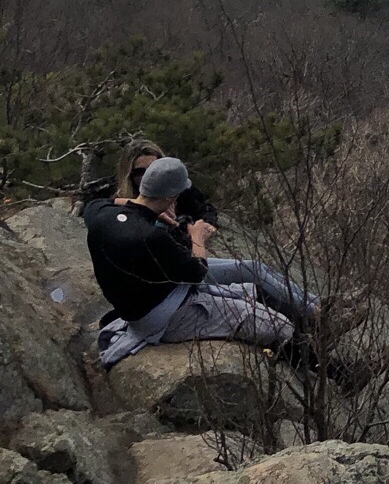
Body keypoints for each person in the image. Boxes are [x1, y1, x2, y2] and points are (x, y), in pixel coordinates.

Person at [82, 155, 328, 366]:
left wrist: (144, 209)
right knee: (268, 322)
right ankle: (335, 371)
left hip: (147, 301)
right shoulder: (152, 237)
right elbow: (198, 270)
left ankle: (316, 316)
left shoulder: (101, 216)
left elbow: (94, 203)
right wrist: (197, 238)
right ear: (171, 198)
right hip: (163, 316)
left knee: (250, 278)